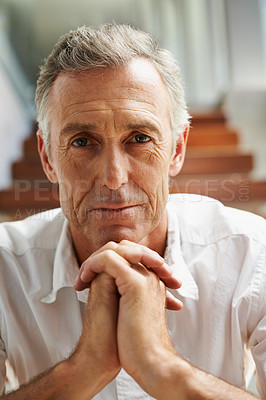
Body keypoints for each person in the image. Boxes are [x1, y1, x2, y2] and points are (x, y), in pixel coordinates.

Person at [0, 23, 266, 400]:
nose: (113, 178)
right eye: (82, 141)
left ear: (176, 149)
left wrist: (163, 367)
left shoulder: (253, 254)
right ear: (47, 157)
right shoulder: (4, 265)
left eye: (139, 138)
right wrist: (82, 370)